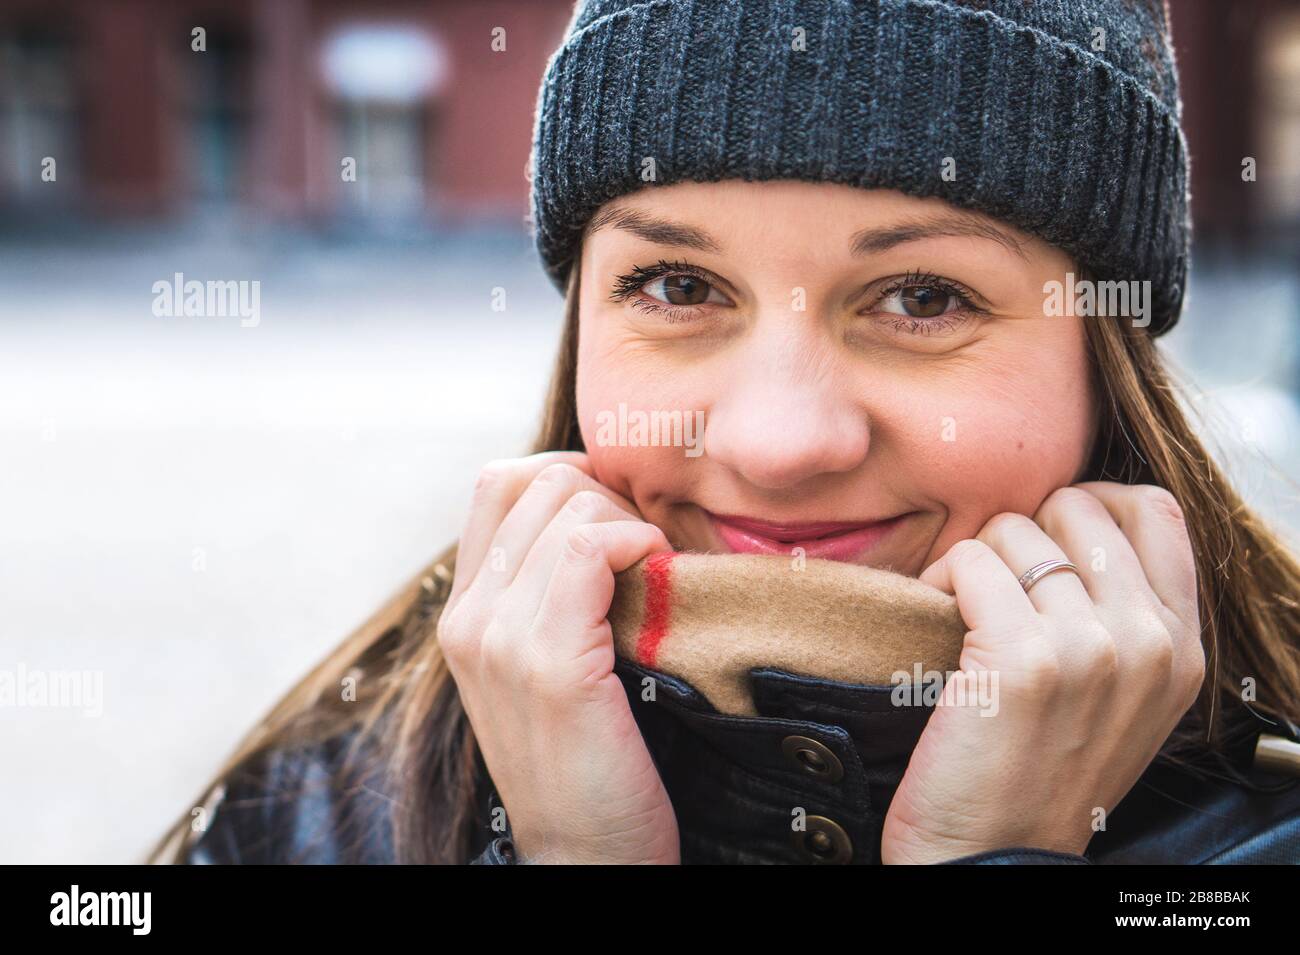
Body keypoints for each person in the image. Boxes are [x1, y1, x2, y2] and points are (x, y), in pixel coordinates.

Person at [151, 0, 1300, 865]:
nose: (780, 442)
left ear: (1104, 360)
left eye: (923, 298)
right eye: (678, 285)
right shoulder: (310, 820)